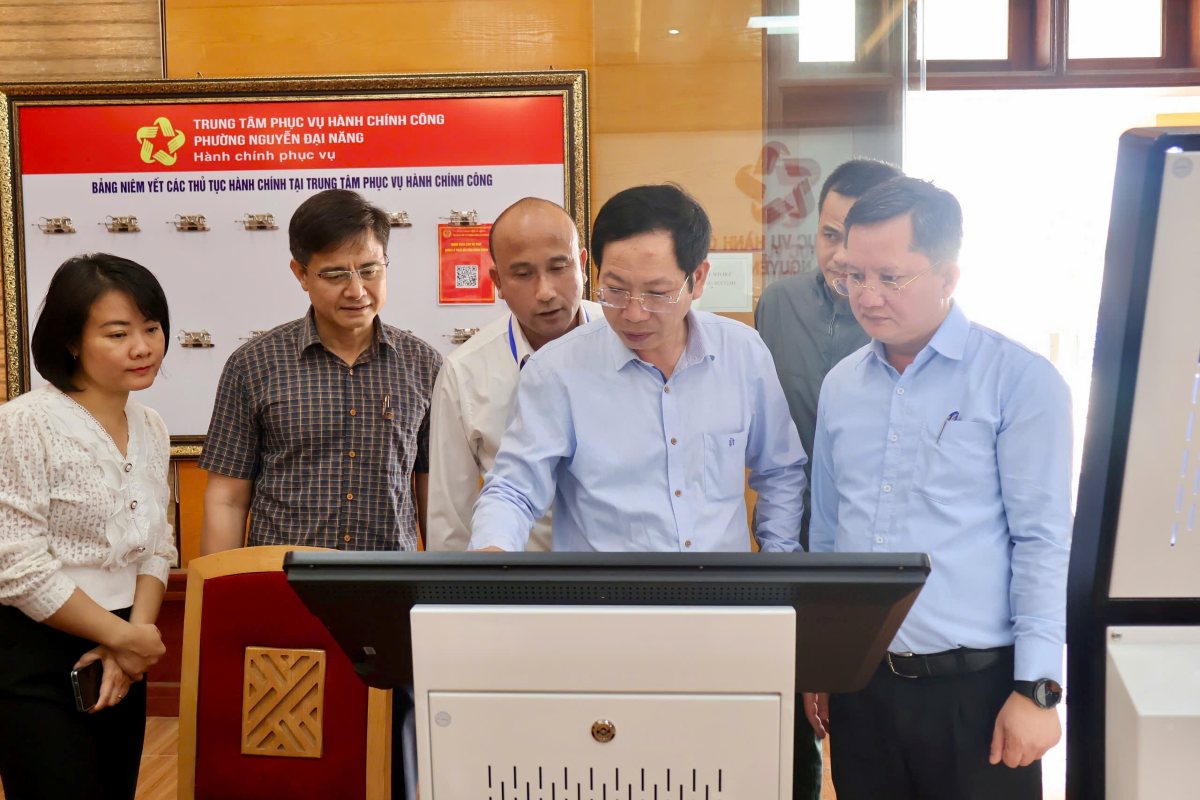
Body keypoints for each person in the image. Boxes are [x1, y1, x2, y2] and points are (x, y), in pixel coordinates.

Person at [808, 177, 1072, 800]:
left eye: (890, 278)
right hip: (862, 690)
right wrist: (821, 660)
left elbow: (1042, 541)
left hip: (976, 695)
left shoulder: (1019, 381)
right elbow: (826, 533)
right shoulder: (841, 385)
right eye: (852, 275)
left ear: (949, 277)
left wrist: (1037, 689)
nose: (865, 296)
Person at [470, 183, 807, 553]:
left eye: (656, 293)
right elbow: (514, 490)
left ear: (698, 278)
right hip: (607, 604)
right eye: (614, 290)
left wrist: (777, 563)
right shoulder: (557, 371)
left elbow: (780, 472)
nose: (633, 313)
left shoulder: (742, 354)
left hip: (721, 599)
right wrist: (493, 551)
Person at [0, 254, 176, 799]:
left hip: (125, 648)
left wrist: (134, 639)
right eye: (118, 333)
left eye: (151, 328)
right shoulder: (23, 423)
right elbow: (18, 567)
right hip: (38, 652)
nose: (143, 347)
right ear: (72, 341)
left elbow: (156, 543)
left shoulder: (150, 425)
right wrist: (121, 637)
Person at [754, 157, 902, 800]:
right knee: (792, 722)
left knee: (872, 720)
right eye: (829, 234)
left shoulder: (904, 315)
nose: (841, 256)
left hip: (877, 551)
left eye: (859, 236)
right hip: (791, 542)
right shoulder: (777, 305)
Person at [199, 189, 442, 554]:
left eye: (370, 270)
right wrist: (221, 600)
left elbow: (434, 498)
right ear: (301, 274)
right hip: (281, 588)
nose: (357, 290)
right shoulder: (252, 365)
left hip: (389, 588)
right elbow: (227, 499)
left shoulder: (424, 366)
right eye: (335, 274)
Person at [427, 197, 602, 552]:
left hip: (624, 583)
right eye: (523, 274)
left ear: (582, 265)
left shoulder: (627, 340)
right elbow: (451, 522)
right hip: (520, 585)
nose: (546, 292)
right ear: (497, 281)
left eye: (559, 267)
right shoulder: (465, 372)